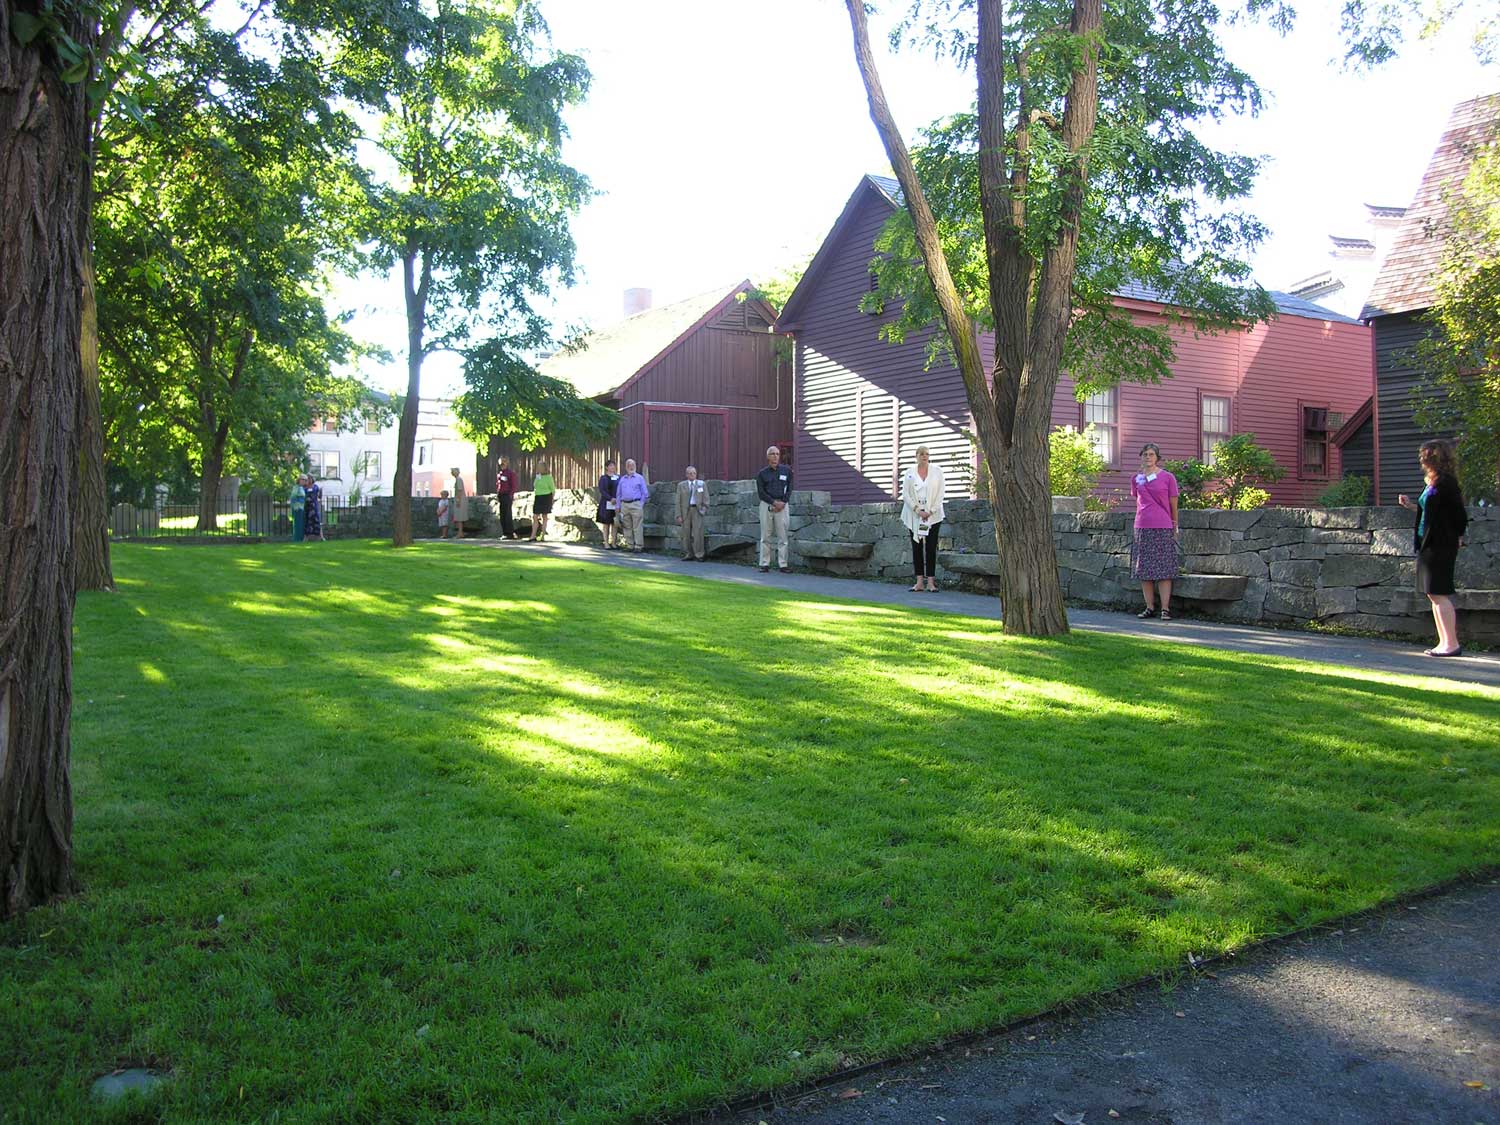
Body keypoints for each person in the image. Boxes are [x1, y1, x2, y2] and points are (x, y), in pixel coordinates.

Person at [1399, 439, 1469, 657]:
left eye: (1426, 455)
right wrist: (1411, 505)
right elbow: (1429, 512)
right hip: (1428, 543)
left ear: (1436, 458)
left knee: (1439, 592)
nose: (1423, 459)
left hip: (1441, 544)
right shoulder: (1432, 482)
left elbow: (1459, 514)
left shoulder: (1446, 483)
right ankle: (1444, 642)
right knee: (1433, 593)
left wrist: (1458, 535)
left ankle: (1451, 643)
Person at [1130, 443, 1179, 620]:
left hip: (1163, 526)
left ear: (1157, 457)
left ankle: (1165, 609)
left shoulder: (1167, 477)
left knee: (1164, 569)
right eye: (1145, 454)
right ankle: (1149, 607)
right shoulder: (1136, 478)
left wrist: (1175, 525)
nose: (1148, 457)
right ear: (1141, 457)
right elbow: (1138, 500)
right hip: (1142, 526)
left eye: (1151, 454)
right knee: (1144, 569)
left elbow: (1173, 503)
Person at [901, 446, 946, 592]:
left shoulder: (937, 472)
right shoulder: (909, 473)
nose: (924, 456)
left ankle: (931, 583)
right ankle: (919, 582)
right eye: (921, 454)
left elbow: (940, 494)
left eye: (927, 454)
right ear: (916, 456)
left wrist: (930, 511)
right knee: (917, 547)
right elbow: (906, 494)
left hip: (933, 516)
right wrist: (917, 510)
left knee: (931, 547)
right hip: (914, 515)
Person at [756, 445, 792, 573]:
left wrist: (783, 502)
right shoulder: (762, 474)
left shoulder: (786, 471)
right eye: (772, 454)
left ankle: (783, 564)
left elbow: (789, 488)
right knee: (766, 535)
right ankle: (764, 564)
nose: (775, 456)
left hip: (782, 505)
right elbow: (761, 492)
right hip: (767, 505)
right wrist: (773, 502)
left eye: (777, 454)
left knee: (783, 537)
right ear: (767, 457)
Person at [615, 458, 649, 550]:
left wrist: (640, 504)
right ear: (626, 467)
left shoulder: (640, 478)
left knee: (637, 526)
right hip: (624, 505)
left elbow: (645, 493)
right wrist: (618, 506)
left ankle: (638, 546)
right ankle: (630, 545)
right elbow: (618, 494)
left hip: (636, 504)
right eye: (629, 465)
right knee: (627, 526)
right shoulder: (622, 479)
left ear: (635, 466)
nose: (631, 467)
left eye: (633, 465)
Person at [677, 465, 709, 561]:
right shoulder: (681, 485)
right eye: (690, 473)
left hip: (697, 510)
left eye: (694, 473)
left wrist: (703, 510)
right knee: (686, 533)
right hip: (685, 511)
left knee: (698, 533)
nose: (692, 475)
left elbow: (706, 498)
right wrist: (678, 515)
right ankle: (689, 554)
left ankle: (699, 554)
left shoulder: (701, 484)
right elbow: (677, 501)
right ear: (686, 474)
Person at [596, 459, 621, 548]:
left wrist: (617, 499)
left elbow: (620, 489)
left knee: (615, 523)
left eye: (613, 465)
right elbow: (602, 490)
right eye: (610, 465)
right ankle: (606, 543)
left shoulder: (618, 478)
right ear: (606, 467)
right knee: (606, 523)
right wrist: (610, 498)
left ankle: (613, 542)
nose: (612, 467)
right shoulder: (603, 478)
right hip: (606, 503)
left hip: (616, 503)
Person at [530, 466, 556, 540]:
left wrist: (552, 500)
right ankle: (533, 536)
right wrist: (537, 477)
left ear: (544, 469)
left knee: (544, 516)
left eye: (540, 467)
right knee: (535, 516)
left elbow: (553, 489)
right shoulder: (538, 476)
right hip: (538, 497)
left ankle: (543, 536)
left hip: (546, 497)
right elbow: (535, 485)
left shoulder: (549, 477)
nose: (539, 469)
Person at [495, 458, 517, 539]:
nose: (502, 466)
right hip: (501, 495)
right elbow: (498, 485)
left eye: (503, 464)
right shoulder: (500, 474)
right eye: (500, 464)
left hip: (507, 495)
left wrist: (510, 495)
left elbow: (513, 485)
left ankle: (509, 533)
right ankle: (504, 532)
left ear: (507, 463)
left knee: (507, 514)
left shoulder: (510, 473)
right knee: (502, 515)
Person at [449, 467, 468, 540]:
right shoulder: (458, 479)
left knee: (459, 517)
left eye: (453, 471)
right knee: (458, 517)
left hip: (460, 499)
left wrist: (458, 500)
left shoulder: (459, 479)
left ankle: (460, 533)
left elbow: (459, 491)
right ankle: (461, 532)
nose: (452, 473)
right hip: (460, 499)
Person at [305, 475, 325, 541]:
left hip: (314, 506)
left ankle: (321, 536)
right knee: (308, 522)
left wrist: (321, 492)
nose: (309, 480)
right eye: (308, 479)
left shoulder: (315, 487)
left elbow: (319, 496)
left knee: (317, 521)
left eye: (310, 478)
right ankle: (306, 537)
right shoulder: (305, 488)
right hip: (307, 507)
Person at [290, 476, 307, 542]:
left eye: (305, 480)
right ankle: (297, 539)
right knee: (298, 524)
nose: (304, 481)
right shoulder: (296, 487)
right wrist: (295, 506)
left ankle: (300, 538)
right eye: (303, 480)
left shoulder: (301, 488)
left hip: (301, 508)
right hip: (297, 508)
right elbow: (293, 497)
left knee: (301, 524)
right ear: (299, 480)